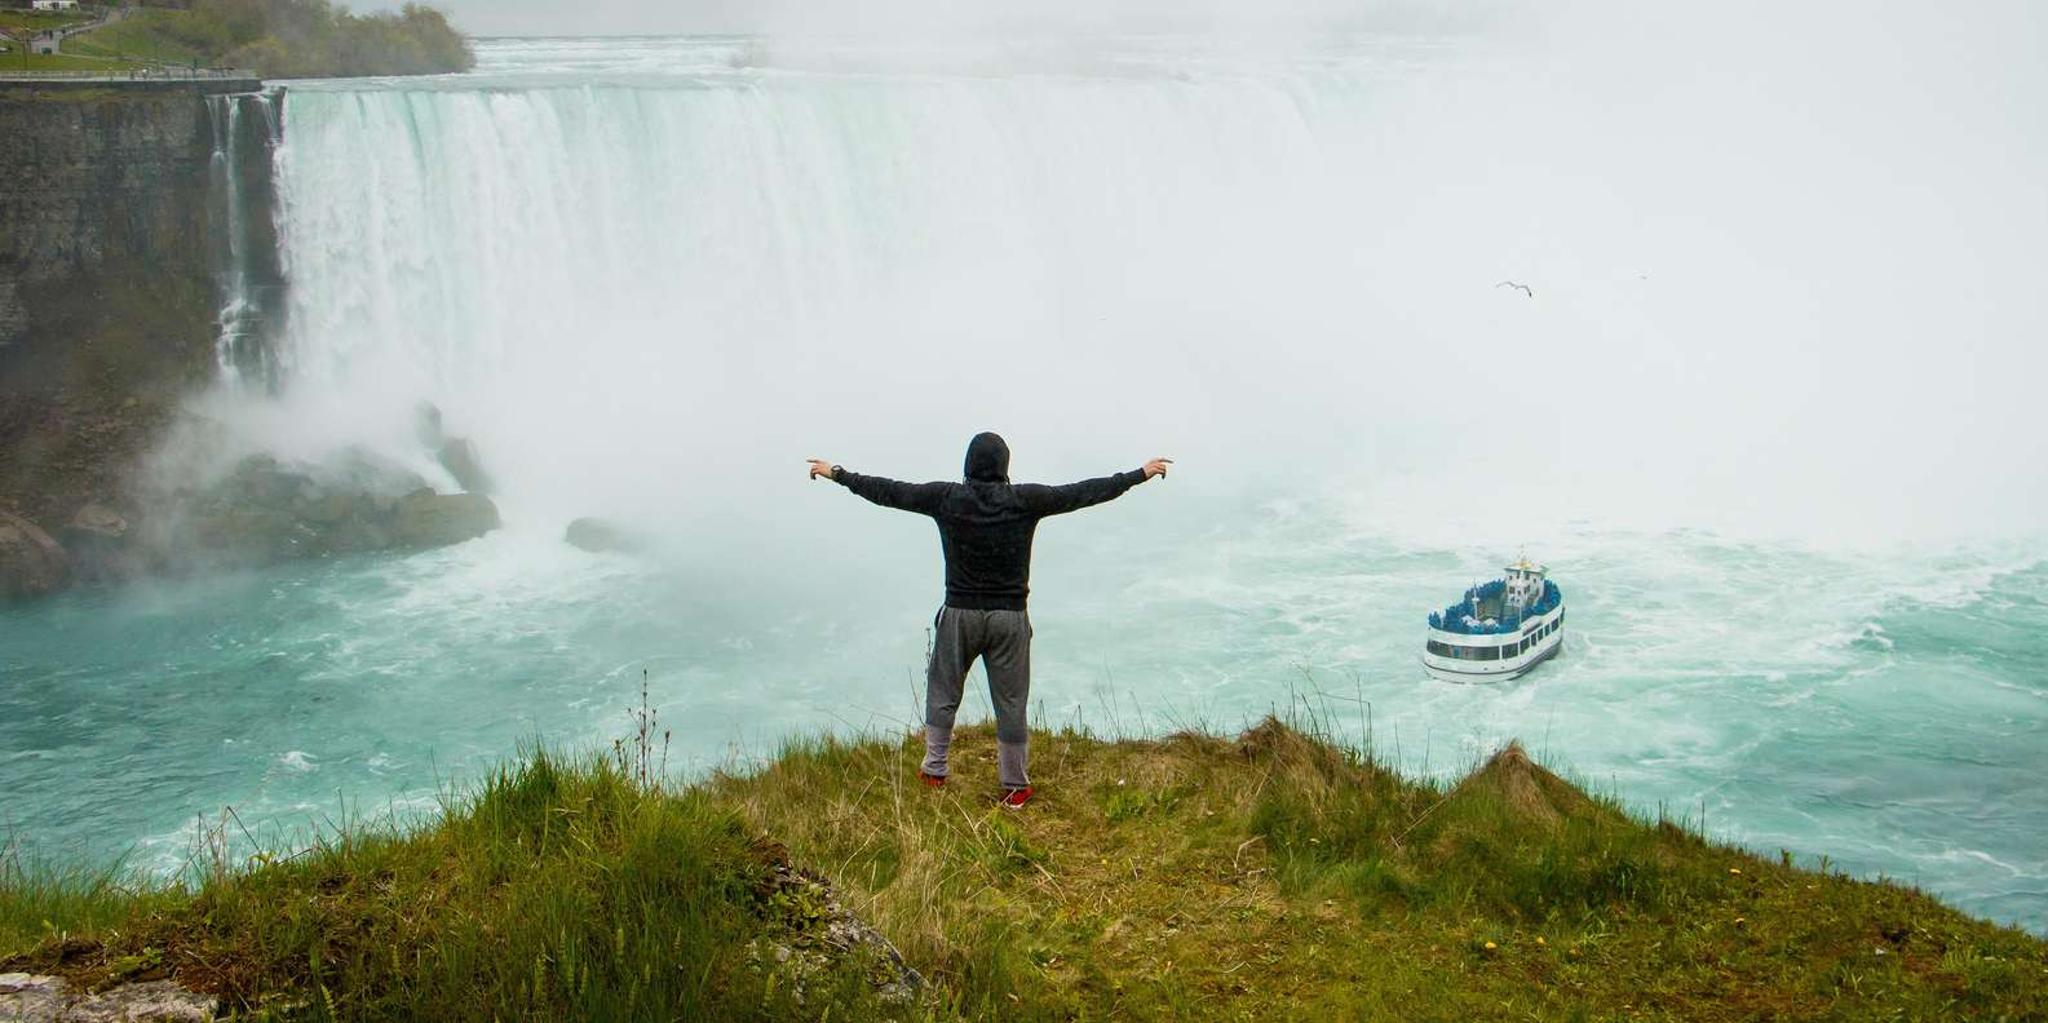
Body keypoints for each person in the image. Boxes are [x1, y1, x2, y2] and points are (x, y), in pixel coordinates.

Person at [808, 433, 1170, 808]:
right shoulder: (1025, 500)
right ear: (1004, 466)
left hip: (960, 614)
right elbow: (1082, 492)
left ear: (968, 465)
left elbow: (889, 491)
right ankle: (1015, 787)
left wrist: (838, 474)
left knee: (943, 691)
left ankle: (934, 770)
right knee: (1011, 702)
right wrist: (1138, 475)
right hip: (1009, 618)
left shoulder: (946, 498)